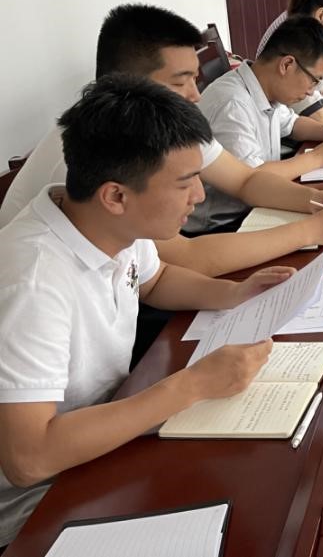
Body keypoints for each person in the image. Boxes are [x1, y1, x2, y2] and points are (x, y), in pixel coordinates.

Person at [0, 75, 293, 548]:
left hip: (109, 432)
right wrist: (192, 385)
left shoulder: (105, 222)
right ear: (115, 195)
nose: (200, 196)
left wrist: (233, 293)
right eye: (185, 183)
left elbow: (155, 281)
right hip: (40, 505)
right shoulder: (32, 281)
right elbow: (28, 458)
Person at [0, 4, 323, 276]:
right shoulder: (94, 151)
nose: (196, 95)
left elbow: (246, 180)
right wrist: (309, 231)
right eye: (180, 82)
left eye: (195, 78)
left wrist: (317, 200)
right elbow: (184, 258)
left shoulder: (159, 125)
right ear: (127, 84)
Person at [190, 16, 323, 234]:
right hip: (224, 225)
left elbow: (292, 123)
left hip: (257, 205)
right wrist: (317, 158)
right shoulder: (232, 103)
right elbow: (253, 178)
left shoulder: (264, 87)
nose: (311, 92)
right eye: (313, 81)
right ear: (287, 64)